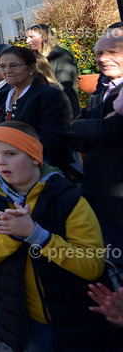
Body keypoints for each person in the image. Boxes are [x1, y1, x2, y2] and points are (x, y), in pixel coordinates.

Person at [0, 122, 119, 351]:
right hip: (24, 317)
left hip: (74, 318)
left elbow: (92, 265)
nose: (0, 161)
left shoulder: (69, 198)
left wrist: (37, 236)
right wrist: (12, 234)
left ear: (34, 156)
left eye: (10, 154)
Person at [67, 30, 123, 268]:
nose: (103, 58)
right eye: (100, 53)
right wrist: (91, 126)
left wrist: (90, 128)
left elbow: (112, 132)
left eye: (113, 52)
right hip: (98, 190)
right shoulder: (99, 91)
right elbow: (72, 135)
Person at [0, 46, 74, 173]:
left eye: (14, 65)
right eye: (3, 66)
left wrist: (10, 144)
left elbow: (53, 140)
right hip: (4, 169)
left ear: (32, 68)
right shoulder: (2, 95)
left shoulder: (49, 96)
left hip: (40, 170)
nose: (7, 71)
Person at [27, 23, 81, 118]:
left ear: (45, 37)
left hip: (62, 112)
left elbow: (64, 86)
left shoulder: (63, 57)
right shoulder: (30, 58)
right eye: (27, 37)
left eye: (31, 37)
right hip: (38, 110)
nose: (28, 41)